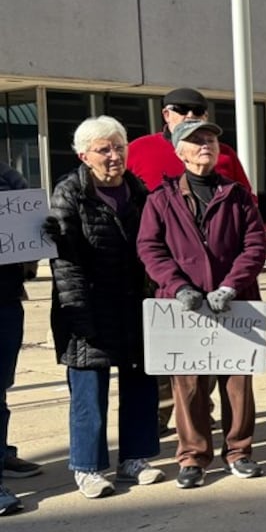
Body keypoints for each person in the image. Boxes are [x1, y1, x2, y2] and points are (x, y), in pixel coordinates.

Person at [137, 118, 266, 488]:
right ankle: (193, 457)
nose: (205, 145)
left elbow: (255, 246)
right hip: (183, 309)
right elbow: (150, 248)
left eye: (210, 138)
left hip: (235, 304)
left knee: (237, 384)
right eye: (196, 141)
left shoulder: (238, 195)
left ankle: (239, 452)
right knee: (189, 386)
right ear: (179, 152)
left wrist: (231, 286)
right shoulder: (160, 199)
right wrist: (178, 287)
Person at [45, 117, 164, 498]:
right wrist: (77, 312)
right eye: (104, 149)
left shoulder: (139, 191)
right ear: (84, 155)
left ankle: (136, 458)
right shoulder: (70, 193)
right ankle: (88, 467)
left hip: (134, 302)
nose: (114, 156)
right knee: (88, 388)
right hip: (88, 303)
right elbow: (65, 261)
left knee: (141, 383)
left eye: (119, 147)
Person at [0, 161, 43, 516]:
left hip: (6, 297)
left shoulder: (7, 176)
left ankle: (1, 454)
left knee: (1, 384)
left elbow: (30, 228)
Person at [126, 88, 254, 196]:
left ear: (205, 117)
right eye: (182, 109)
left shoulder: (223, 153)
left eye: (198, 111)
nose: (190, 115)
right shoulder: (138, 149)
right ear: (166, 115)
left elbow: (248, 199)